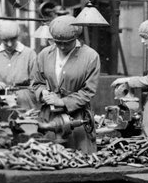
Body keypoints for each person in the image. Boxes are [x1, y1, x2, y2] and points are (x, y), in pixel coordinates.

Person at [34, 15, 101, 153]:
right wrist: (43, 92)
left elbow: (88, 91)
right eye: (58, 42)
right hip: (50, 118)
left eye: (67, 42)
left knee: (80, 160)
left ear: (76, 37)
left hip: (77, 119)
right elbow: (36, 83)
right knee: (49, 159)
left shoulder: (90, 56)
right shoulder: (44, 55)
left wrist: (62, 102)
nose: (62, 46)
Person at [0, 20, 40, 110]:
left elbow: (38, 81)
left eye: (13, 39)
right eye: (5, 40)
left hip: (26, 102)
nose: (9, 44)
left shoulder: (30, 54)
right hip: (2, 102)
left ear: (18, 36)